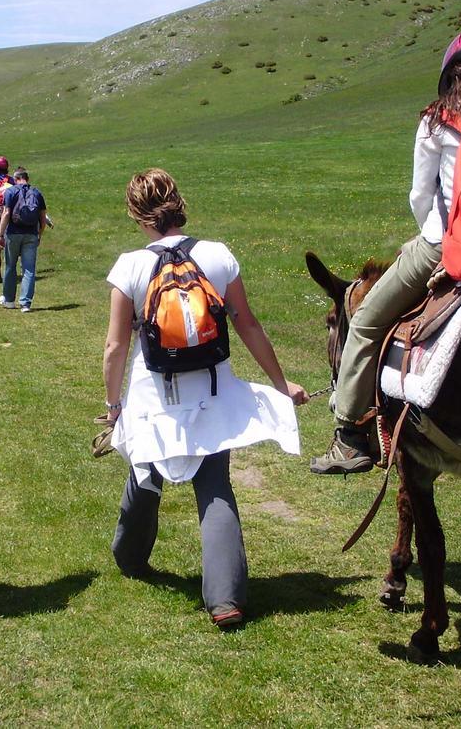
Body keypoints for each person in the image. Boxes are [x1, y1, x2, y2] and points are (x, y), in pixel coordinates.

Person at [311, 27, 461, 475]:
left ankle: (350, 436)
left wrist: (434, 238)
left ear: (456, 74)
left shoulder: (438, 118)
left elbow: (419, 197)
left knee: (368, 319)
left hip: (447, 247)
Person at [101, 168, 307, 628]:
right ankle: (225, 599)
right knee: (214, 486)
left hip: (154, 395)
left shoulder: (130, 266)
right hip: (213, 390)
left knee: (145, 469)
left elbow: (116, 347)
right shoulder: (217, 255)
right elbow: (246, 323)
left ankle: (130, 556)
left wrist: (114, 405)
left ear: (138, 216)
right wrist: (280, 384)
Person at [0, 168, 45, 313]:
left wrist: (0, 234)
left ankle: (9, 300)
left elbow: (6, 213)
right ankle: (25, 303)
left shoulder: (10, 192)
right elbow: (42, 218)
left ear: (15, 178)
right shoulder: (37, 192)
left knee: (11, 266)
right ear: (27, 178)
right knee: (29, 269)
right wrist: (39, 234)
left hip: (13, 233)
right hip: (31, 234)